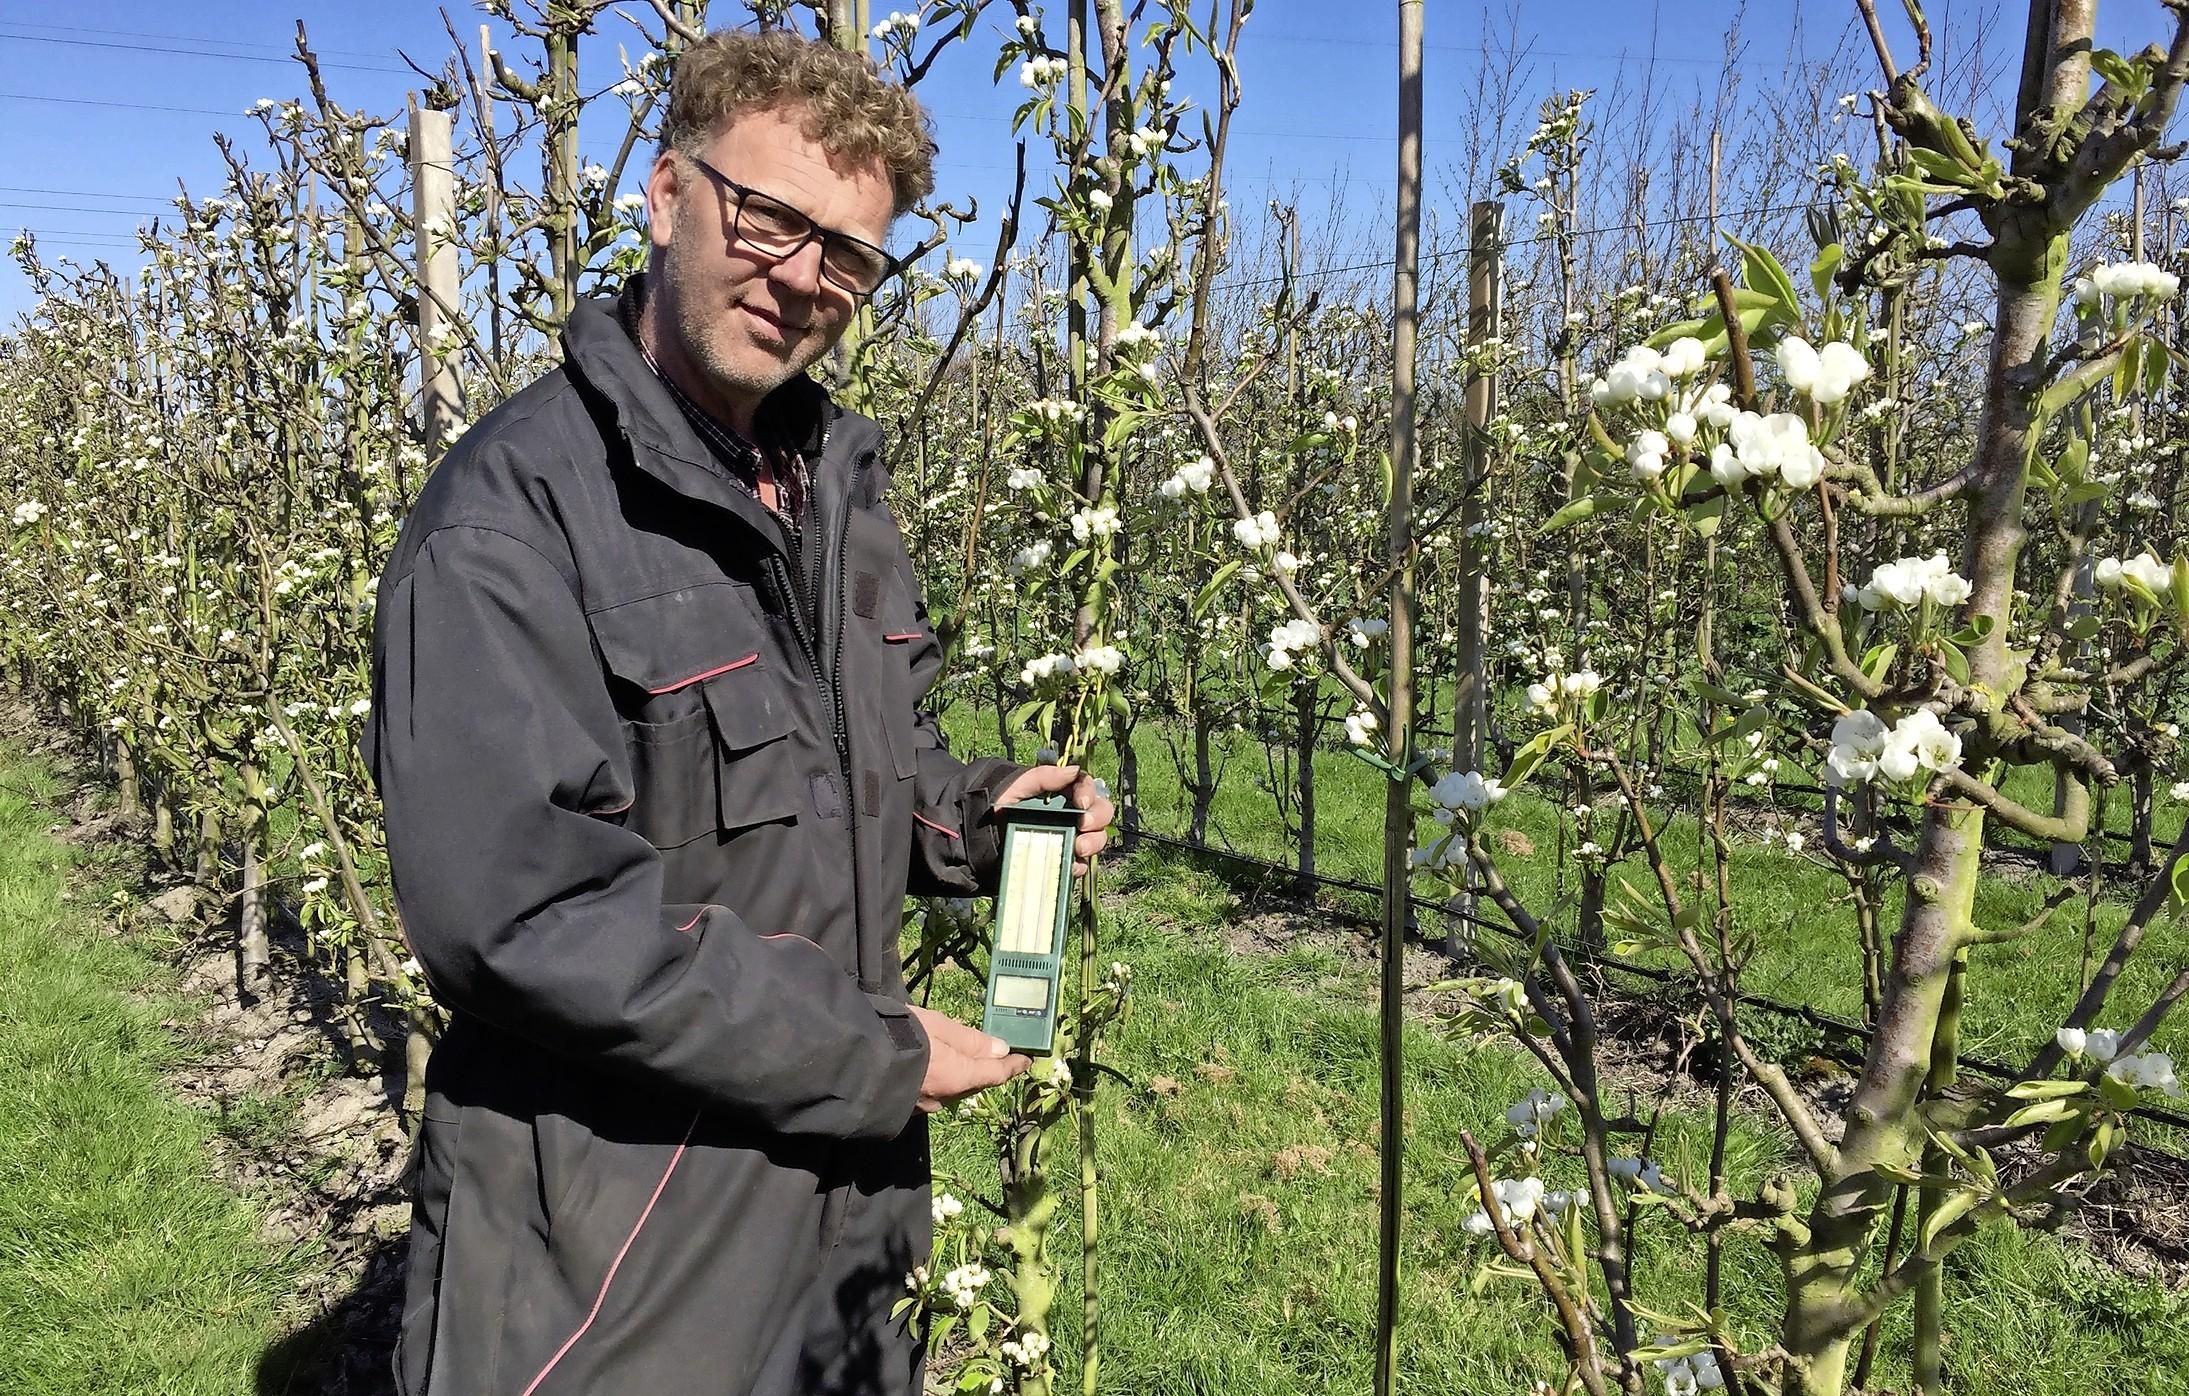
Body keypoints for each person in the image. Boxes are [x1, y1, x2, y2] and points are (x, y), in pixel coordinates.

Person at [363, 27, 1111, 1396]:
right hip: (617, 1259)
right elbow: (522, 914)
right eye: (768, 217)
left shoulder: (831, 494)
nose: (803, 277)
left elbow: (847, 769)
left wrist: (974, 817)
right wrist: (865, 1052)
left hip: (841, 1232)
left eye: (850, 255)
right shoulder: (514, 517)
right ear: (666, 197)